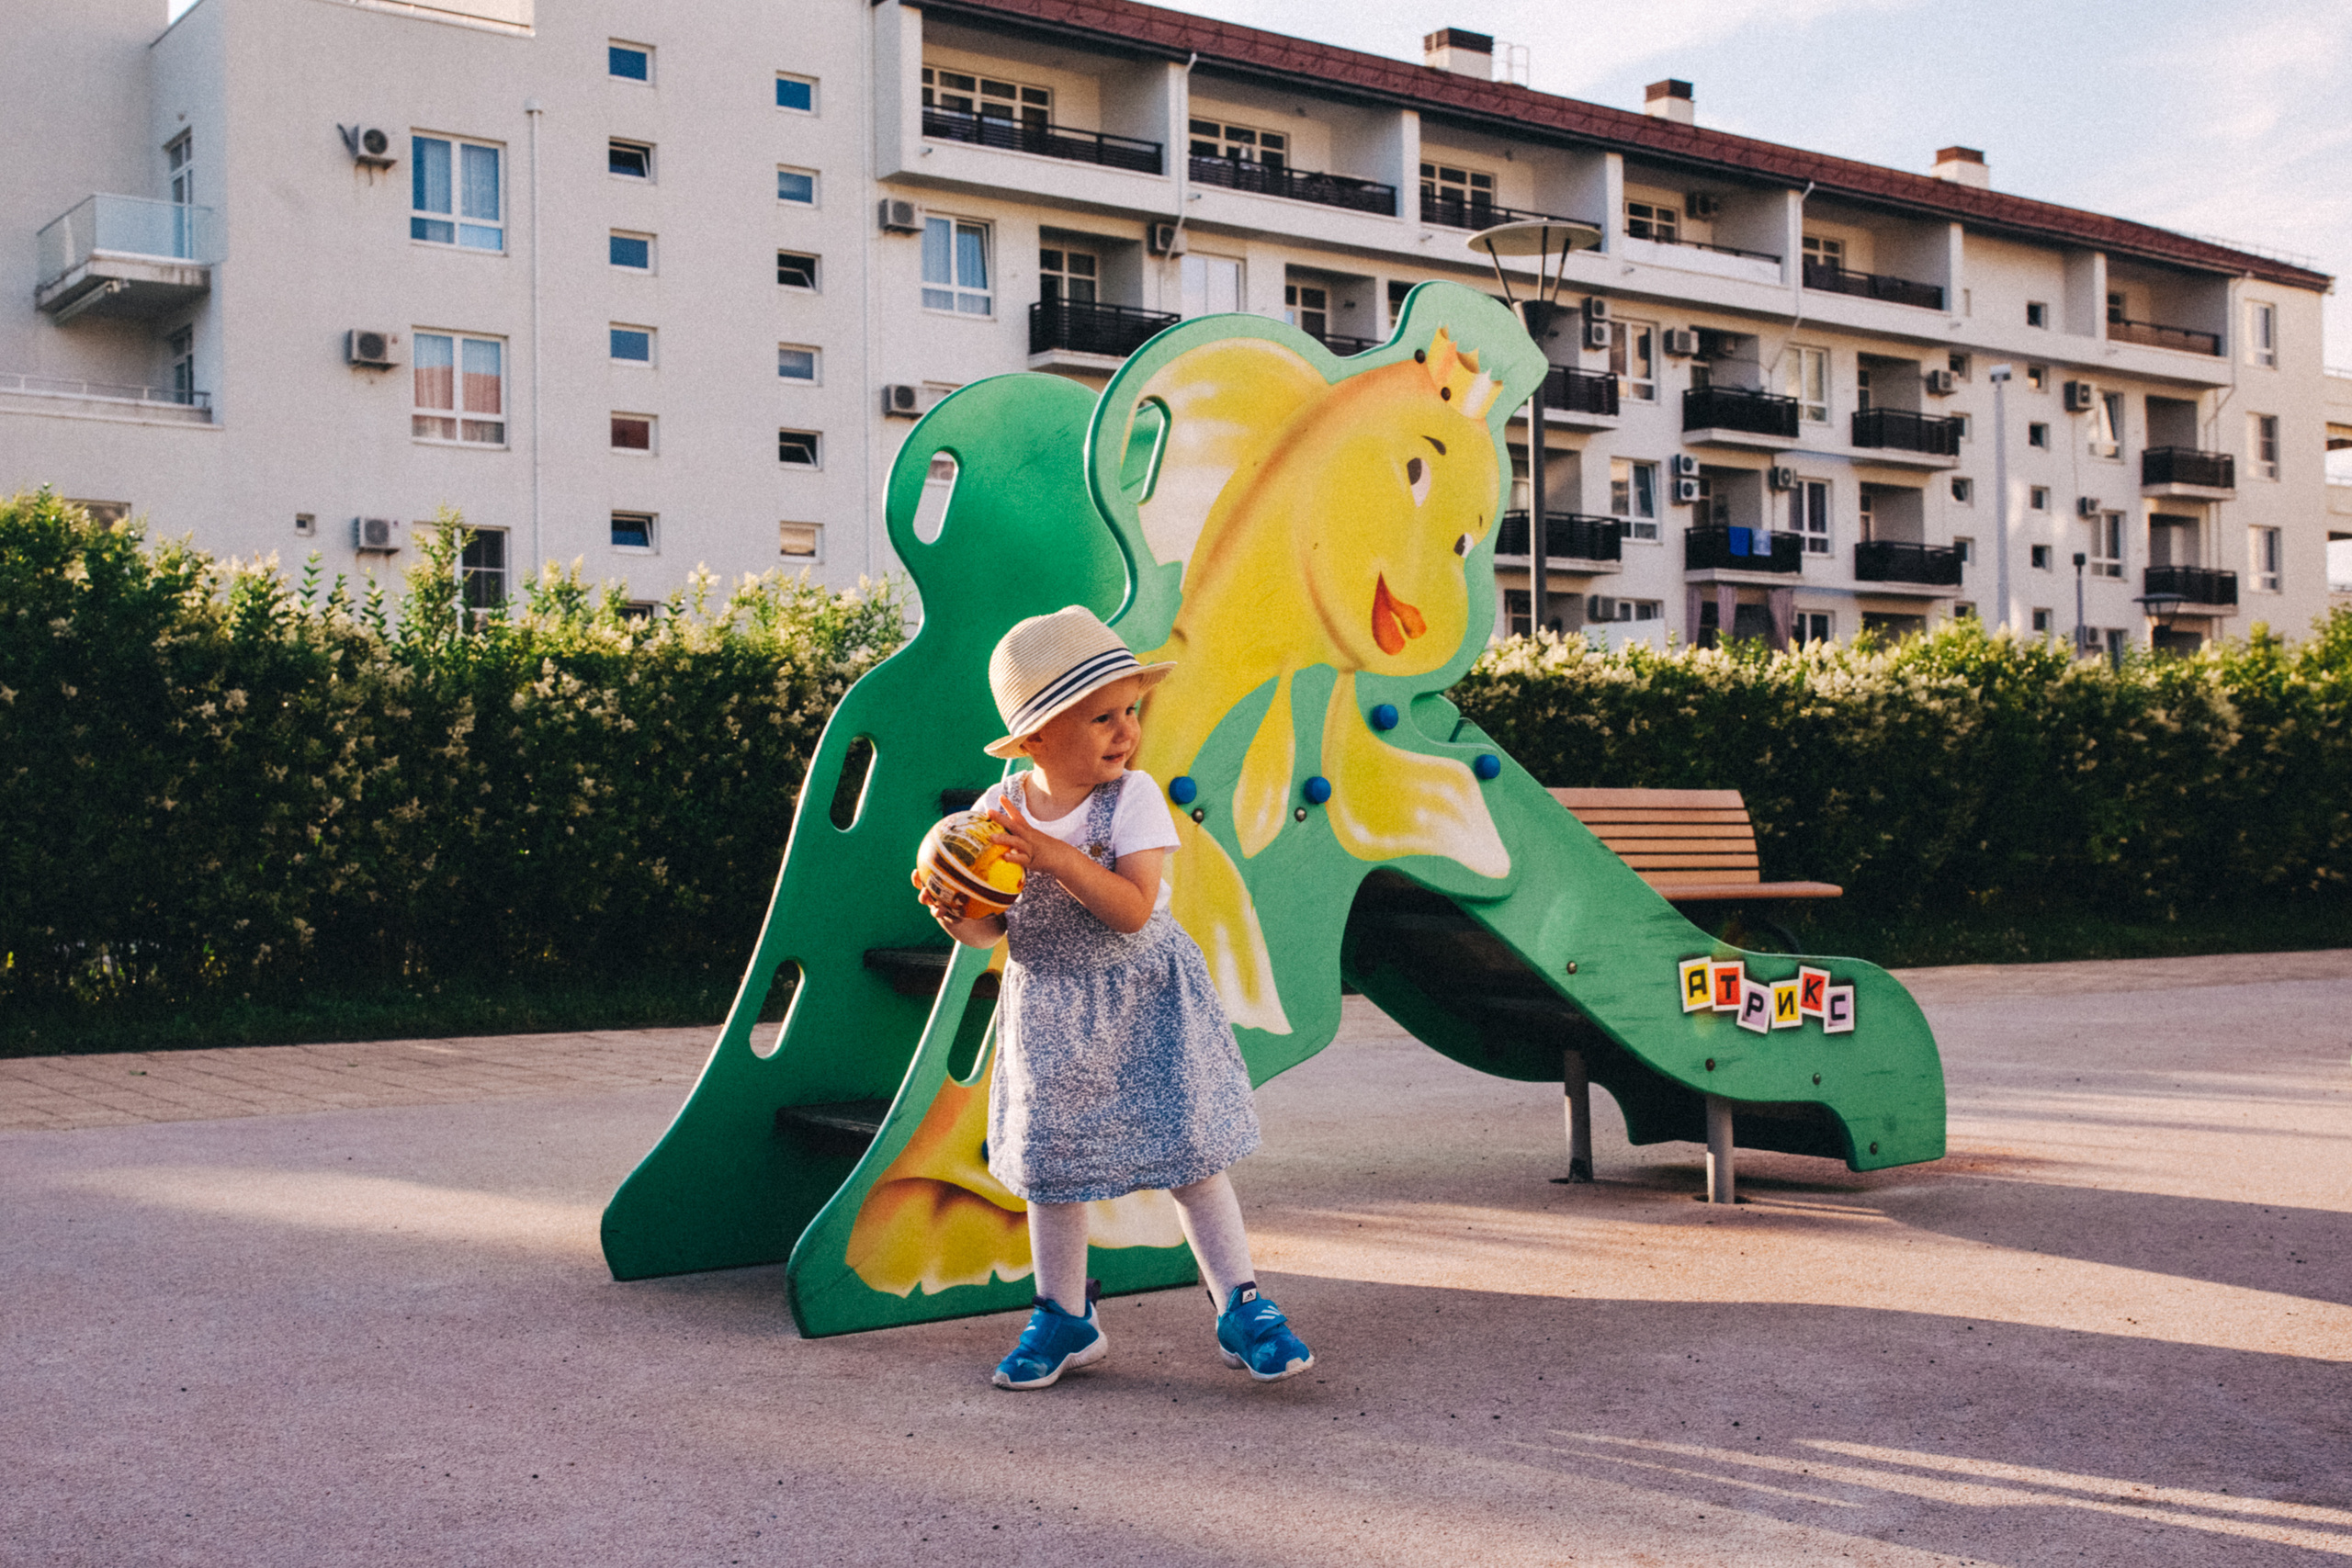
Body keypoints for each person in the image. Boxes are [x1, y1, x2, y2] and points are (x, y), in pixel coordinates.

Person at [922, 605, 1314, 1391]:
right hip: (1051, 1012)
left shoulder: (1130, 799)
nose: (1124, 730)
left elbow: (1134, 909)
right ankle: (1065, 1315)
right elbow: (990, 931)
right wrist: (955, 904)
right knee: (1051, 1166)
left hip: (1144, 999)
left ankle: (1241, 1304)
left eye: (1130, 710)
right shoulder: (999, 812)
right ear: (1035, 738)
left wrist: (1057, 857)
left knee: (1188, 1153)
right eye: (1101, 716)